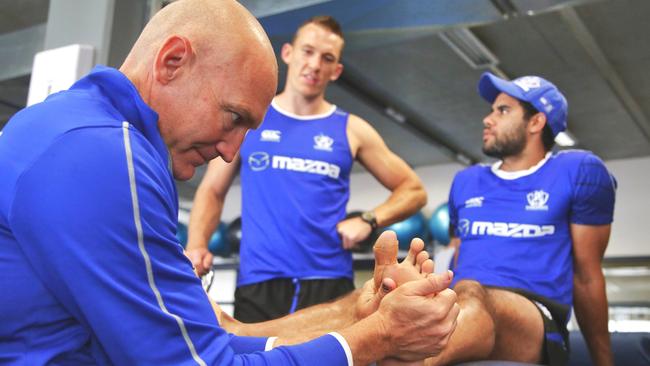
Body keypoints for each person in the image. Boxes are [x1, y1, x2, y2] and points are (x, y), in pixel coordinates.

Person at [0, 0, 460, 364]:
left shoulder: (91, 132)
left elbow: (212, 344)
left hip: (324, 269)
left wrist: (362, 311)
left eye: (247, 129)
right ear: (172, 61)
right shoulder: (104, 156)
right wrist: (376, 339)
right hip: (261, 274)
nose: (231, 151)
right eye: (234, 117)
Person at [186, 15, 427, 322]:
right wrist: (196, 244)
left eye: (327, 58)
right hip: (259, 282)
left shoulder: (352, 130)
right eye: (307, 51)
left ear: (336, 70)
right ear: (288, 53)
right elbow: (211, 190)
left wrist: (368, 219)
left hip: (329, 282)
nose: (314, 64)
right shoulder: (252, 121)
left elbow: (414, 190)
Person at [424, 73, 616, 366]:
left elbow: (587, 276)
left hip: (535, 315)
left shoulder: (579, 171)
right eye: (491, 110)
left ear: (536, 123)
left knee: (473, 293)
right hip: (459, 310)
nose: (487, 119)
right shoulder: (466, 181)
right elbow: (456, 253)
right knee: (367, 302)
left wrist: (604, 363)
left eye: (502, 110)